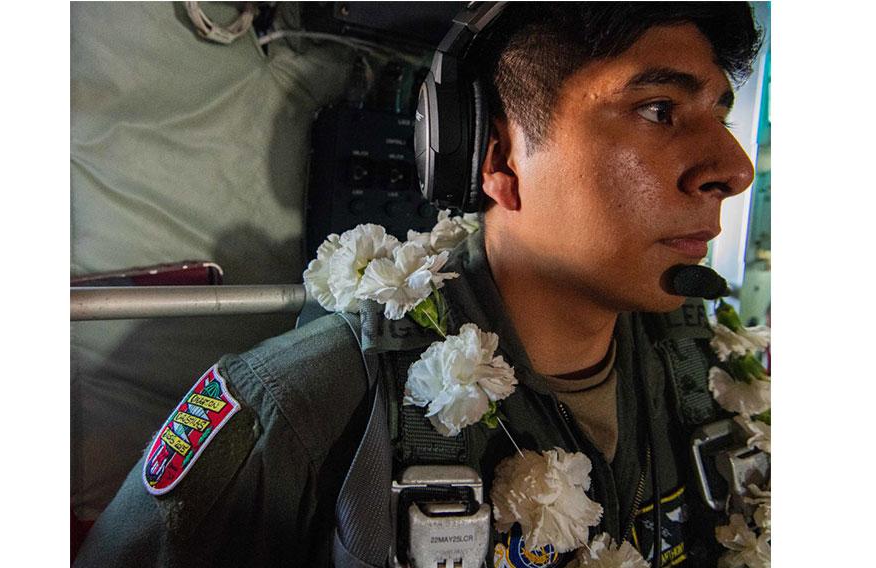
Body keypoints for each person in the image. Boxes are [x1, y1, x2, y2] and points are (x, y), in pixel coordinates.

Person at [75, 3, 763, 567]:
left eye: (722, 116)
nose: (733, 168)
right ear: (496, 157)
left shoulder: (706, 375)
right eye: (658, 109)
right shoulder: (299, 410)